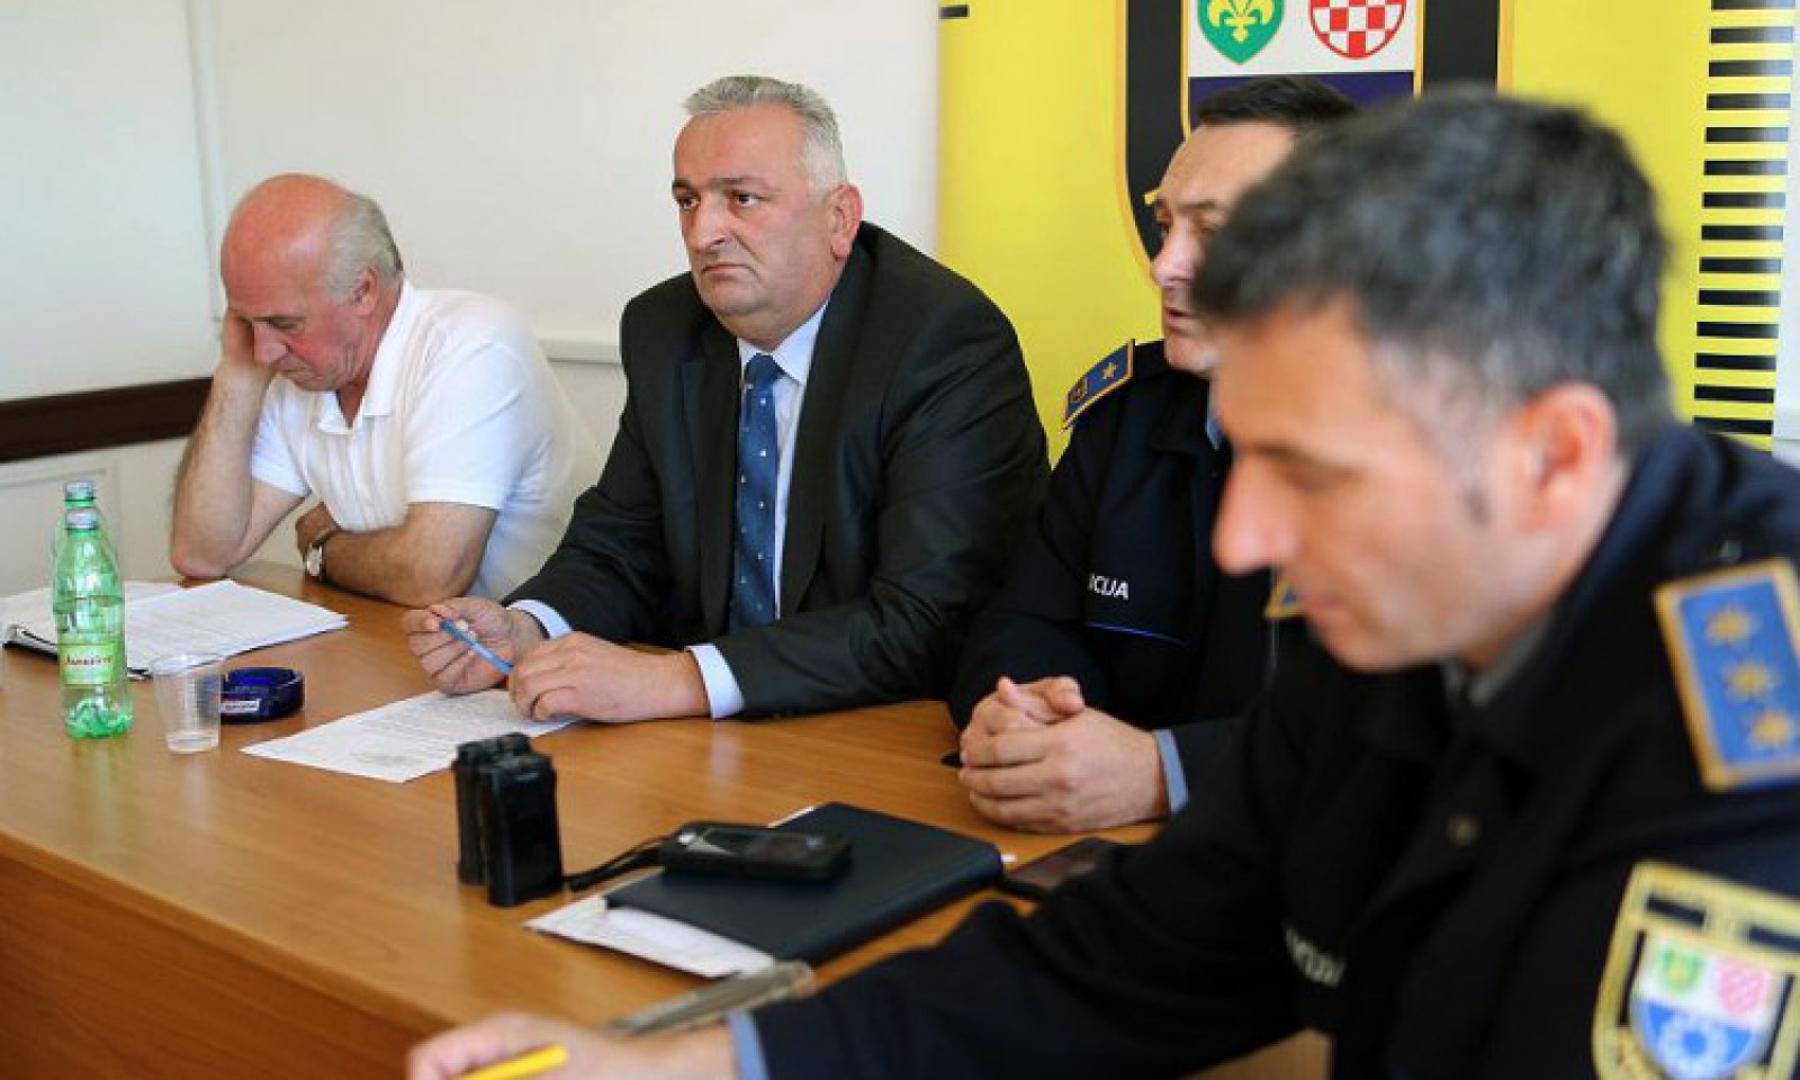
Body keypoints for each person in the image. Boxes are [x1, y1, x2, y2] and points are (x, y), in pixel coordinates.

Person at [408, 93, 1800, 1079]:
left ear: (1553, 456)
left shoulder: (1757, 726)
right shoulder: (1392, 596)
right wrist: (708, 1061)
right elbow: (1149, 951)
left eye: (1311, 471)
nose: (1248, 539)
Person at [401, 76, 1046, 724]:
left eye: (742, 198)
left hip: (878, 729)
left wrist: (680, 680)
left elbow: (926, 620)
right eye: (687, 201)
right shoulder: (665, 329)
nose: (703, 232)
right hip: (711, 740)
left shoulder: (939, 341)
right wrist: (527, 628)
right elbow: (621, 547)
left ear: (840, 219)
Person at [949, 76, 1354, 833]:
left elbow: (1398, 733)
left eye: (1214, 232)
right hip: (1099, 848)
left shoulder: (1419, 457)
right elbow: (1022, 622)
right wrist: (1025, 714)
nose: (1164, 265)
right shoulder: (1126, 418)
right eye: (1166, 226)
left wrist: (1164, 773)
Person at [170, 174, 598, 606]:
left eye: (284, 323)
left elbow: (430, 575)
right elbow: (202, 555)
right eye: (246, 321)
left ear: (363, 291)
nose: (264, 352)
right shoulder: (296, 369)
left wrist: (323, 549)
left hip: (548, 640)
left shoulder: (471, 344)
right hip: (412, 635)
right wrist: (236, 372)